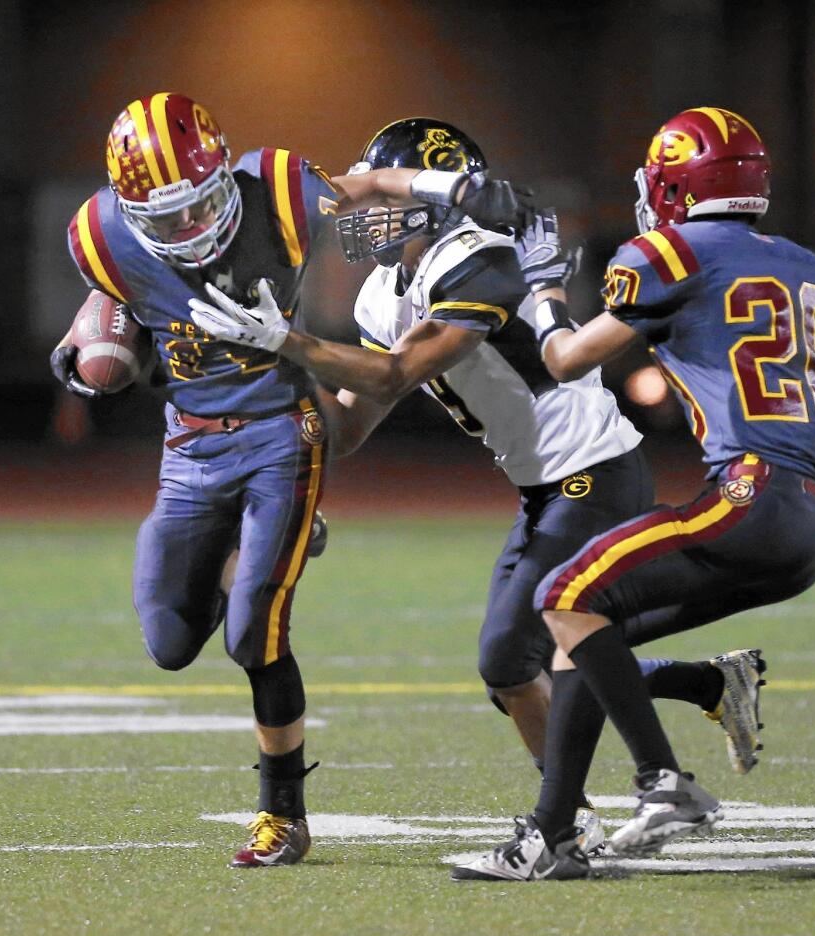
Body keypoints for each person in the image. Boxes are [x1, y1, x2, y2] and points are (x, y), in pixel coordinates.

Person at [186, 117, 764, 854]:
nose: (368, 213)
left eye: (390, 193)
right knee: (516, 668)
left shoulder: (479, 259)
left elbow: (395, 373)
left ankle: (593, 811)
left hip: (594, 473)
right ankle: (697, 692)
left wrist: (291, 342)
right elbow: (349, 428)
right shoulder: (380, 296)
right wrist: (276, 378)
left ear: (440, 202)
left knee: (508, 658)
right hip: (547, 487)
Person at [49, 93, 533, 869]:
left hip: (283, 433)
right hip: (189, 451)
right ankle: (269, 542)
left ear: (221, 177)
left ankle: (283, 815)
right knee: (170, 641)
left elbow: (371, 185)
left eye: (198, 206)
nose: (185, 229)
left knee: (253, 635)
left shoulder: (272, 187)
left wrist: (457, 191)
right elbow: (117, 312)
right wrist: (87, 359)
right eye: (163, 216)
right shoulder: (99, 235)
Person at [453, 106, 815, 880]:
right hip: (812, 516)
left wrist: (543, 286)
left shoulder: (668, 249)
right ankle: (551, 837)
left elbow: (563, 360)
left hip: (747, 495)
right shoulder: (804, 262)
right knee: (585, 634)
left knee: (562, 592)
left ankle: (661, 782)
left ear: (674, 186)